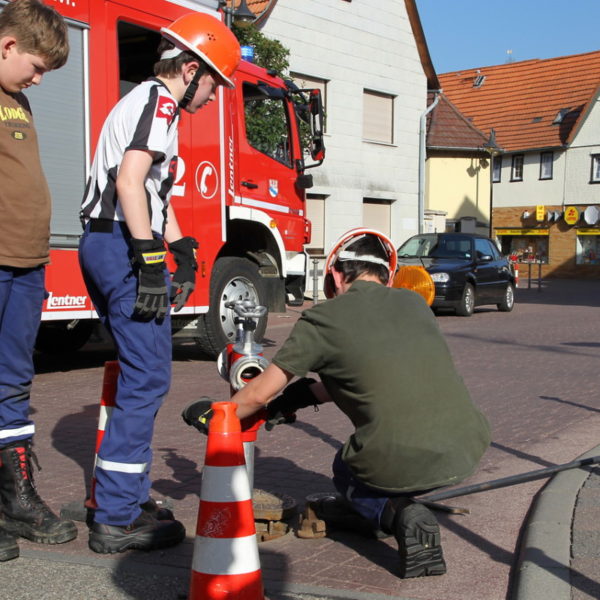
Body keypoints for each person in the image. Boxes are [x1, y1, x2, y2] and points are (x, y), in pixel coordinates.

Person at [183, 228, 491, 578]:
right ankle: (371, 509)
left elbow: (258, 393)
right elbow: (365, 375)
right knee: (380, 455)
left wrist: (214, 415)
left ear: (334, 273)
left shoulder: (324, 319)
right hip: (467, 447)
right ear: (387, 274)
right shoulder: (414, 304)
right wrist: (299, 399)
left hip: (405, 460)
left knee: (345, 469)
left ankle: (397, 512)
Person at [78, 12, 241, 554]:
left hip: (113, 242)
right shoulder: (159, 102)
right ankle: (117, 517)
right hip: (118, 243)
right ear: (190, 70)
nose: (215, 96)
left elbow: (150, 190)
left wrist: (182, 248)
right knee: (147, 378)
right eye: (215, 82)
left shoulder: (152, 106)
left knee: (140, 376)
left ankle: (121, 496)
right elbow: (128, 183)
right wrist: (150, 257)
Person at [0, 0, 74, 563]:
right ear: (7, 45)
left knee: (12, 385)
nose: (40, 78)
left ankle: (15, 499)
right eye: (36, 64)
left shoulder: (16, 101)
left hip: (26, 264)